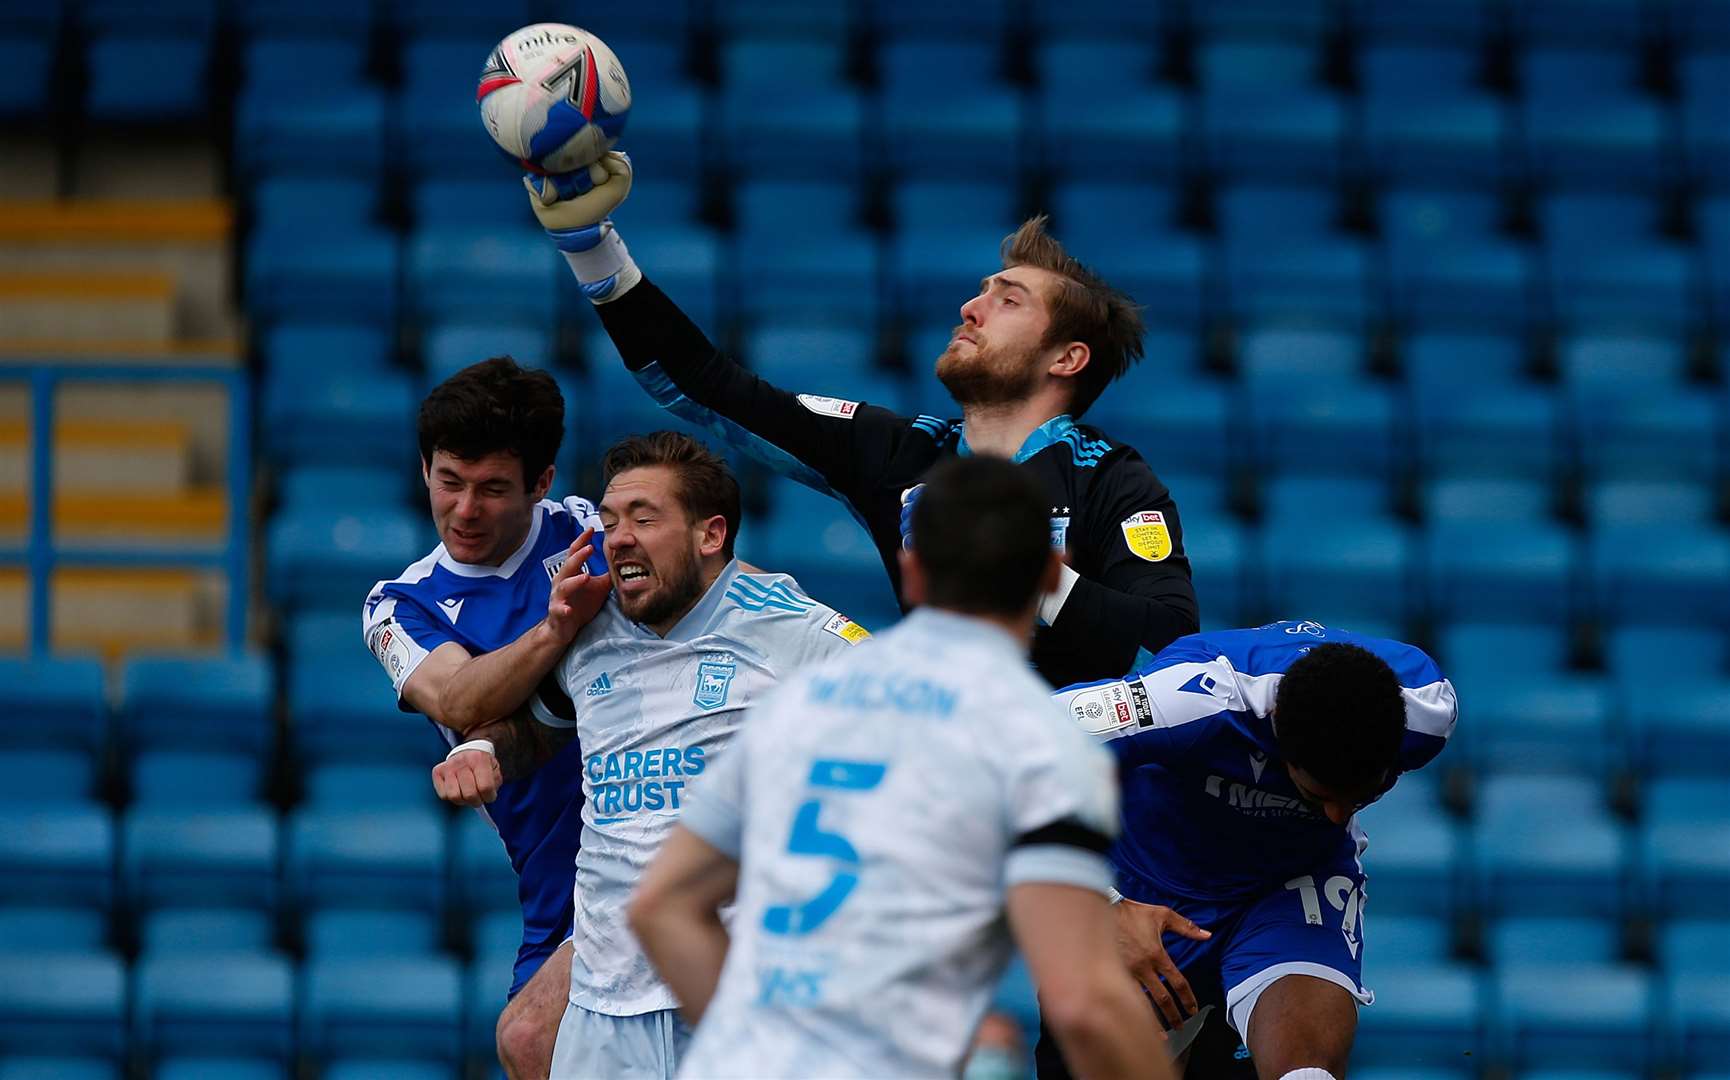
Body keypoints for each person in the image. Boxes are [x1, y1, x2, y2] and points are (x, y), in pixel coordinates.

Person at [522, 154, 1199, 689]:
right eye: (980, 292)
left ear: (1068, 357)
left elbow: (1172, 649)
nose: (971, 307)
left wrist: (1035, 572)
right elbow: (703, 386)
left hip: (1074, 800)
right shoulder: (899, 453)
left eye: (1008, 300)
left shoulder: (1112, 478)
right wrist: (592, 250)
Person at [628, 457, 1172, 1080]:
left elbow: (661, 906)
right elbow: (1086, 1005)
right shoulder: (1040, 737)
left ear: (911, 573)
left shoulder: (804, 699)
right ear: (1050, 574)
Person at [454, 430, 869, 1079]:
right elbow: (539, 728)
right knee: (528, 1035)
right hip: (605, 996)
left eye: (644, 519)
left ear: (710, 535)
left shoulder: (790, 628)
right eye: (611, 519)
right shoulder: (590, 632)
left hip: (734, 984)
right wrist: (484, 747)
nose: (617, 538)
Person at [1047, 620, 1459, 1080]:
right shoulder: (1188, 699)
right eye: (1319, 795)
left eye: (1364, 793)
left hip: (1291, 880)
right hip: (1148, 890)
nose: (1339, 816)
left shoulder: (1427, 707)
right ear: (1278, 733)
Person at [361, 357, 610, 1080]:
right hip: (557, 888)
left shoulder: (594, 529)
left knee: (530, 1039)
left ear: (541, 483)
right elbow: (463, 700)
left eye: (493, 489)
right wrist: (556, 629)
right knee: (531, 1049)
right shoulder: (401, 605)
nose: (465, 511)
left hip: (666, 840)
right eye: (449, 482)